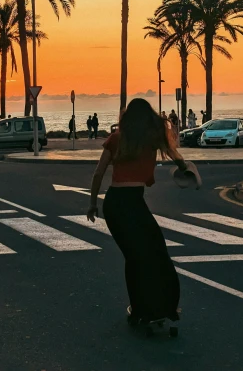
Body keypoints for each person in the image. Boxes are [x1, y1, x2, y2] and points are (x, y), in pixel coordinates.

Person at [87, 98, 185, 331]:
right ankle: (157, 308)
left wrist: (92, 204)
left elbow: (98, 174)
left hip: (115, 204)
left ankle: (143, 309)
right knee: (156, 253)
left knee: (135, 257)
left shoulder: (117, 139)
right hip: (133, 202)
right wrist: (186, 170)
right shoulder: (152, 139)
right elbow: (175, 155)